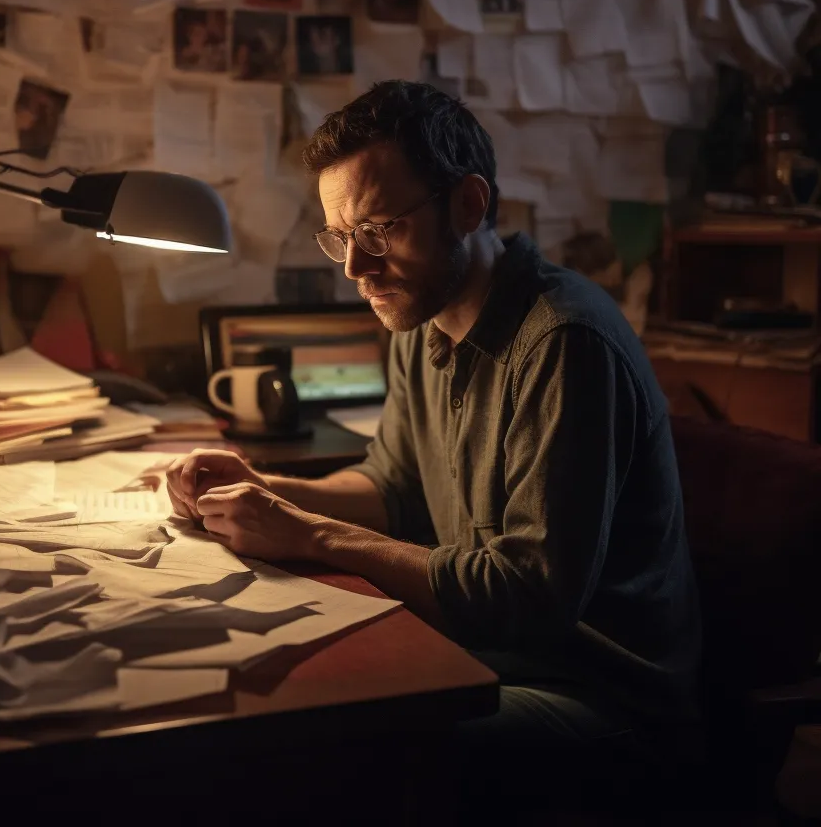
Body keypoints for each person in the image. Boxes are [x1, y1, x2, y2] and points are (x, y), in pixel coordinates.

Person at [165, 80, 702, 808]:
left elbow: (529, 597)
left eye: (380, 228)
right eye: (340, 237)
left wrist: (310, 534)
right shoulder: (423, 317)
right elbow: (393, 488)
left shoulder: (563, 342)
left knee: (324, 751)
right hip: (490, 654)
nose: (356, 268)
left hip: (600, 697)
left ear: (469, 205)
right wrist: (263, 488)